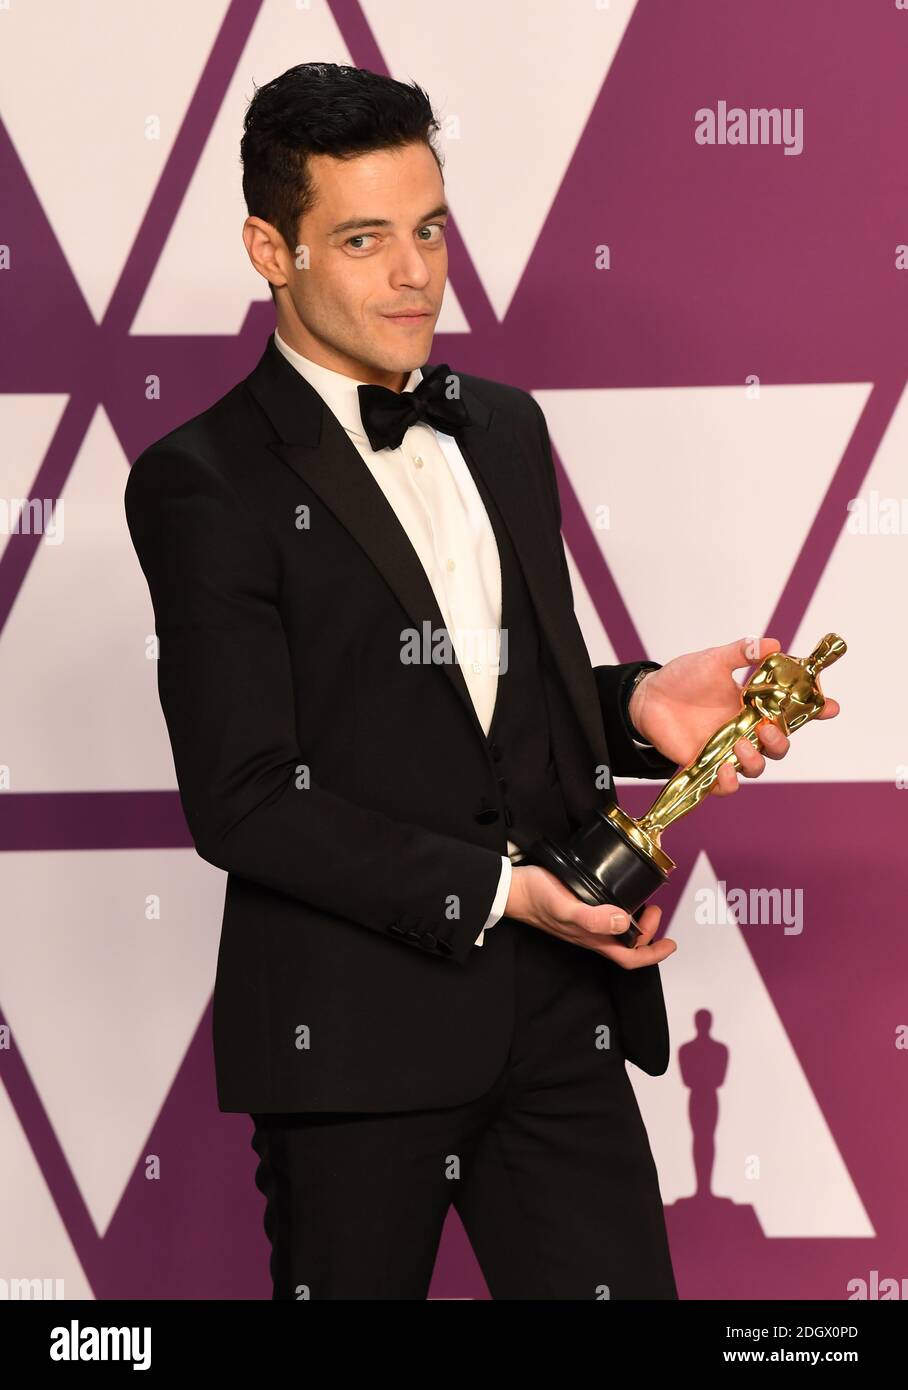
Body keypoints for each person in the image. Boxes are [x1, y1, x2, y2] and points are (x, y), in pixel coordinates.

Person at [124, 61, 835, 1300]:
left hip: (559, 1024)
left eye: (429, 229)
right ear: (268, 248)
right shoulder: (204, 479)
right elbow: (241, 798)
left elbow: (484, 699)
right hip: (350, 1051)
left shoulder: (501, 426)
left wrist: (635, 709)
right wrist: (502, 893)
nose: (414, 274)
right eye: (362, 239)